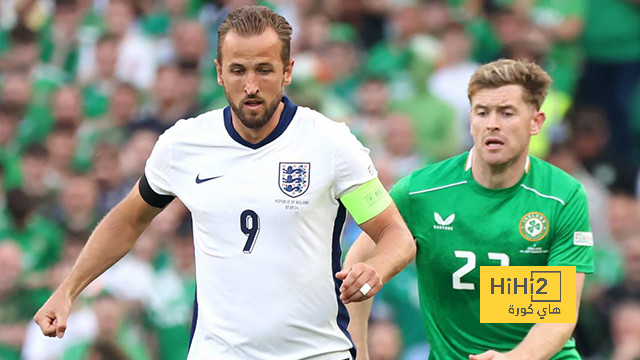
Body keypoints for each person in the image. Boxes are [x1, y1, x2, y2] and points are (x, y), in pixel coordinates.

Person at [33, 6, 416, 360]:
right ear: (219, 72)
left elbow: (395, 235)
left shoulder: (330, 144)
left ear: (288, 71)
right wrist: (68, 290)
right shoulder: (183, 145)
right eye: (238, 70)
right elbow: (130, 219)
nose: (251, 85)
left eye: (264, 70)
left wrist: (376, 270)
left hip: (315, 352)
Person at [346, 59, 594, 360]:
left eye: (506, 113)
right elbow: (359, 264)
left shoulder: (562, 196)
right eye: (482, 112)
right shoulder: (420, 191)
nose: (492, 123)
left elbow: (559, 316)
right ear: (470, 119)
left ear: (536, 122)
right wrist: (356, 353)